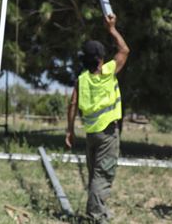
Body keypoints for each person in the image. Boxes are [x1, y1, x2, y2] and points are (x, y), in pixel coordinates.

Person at [65, 13, 129, 223]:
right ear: (101, 59)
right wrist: (111, 29)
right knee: (103, 175)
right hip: (108, 133)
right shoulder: (108, 72)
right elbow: (124, 50)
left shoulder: (82, 80)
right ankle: (95, 216)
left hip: (92, 133)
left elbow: (72, 103)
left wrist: (70, 130)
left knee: (95, 175)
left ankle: (98, 210)